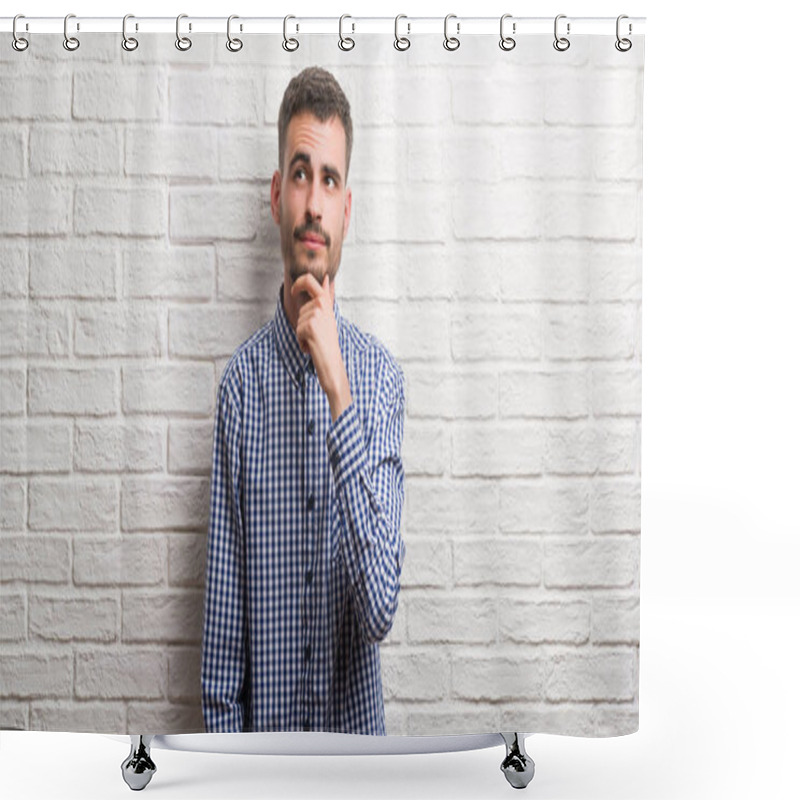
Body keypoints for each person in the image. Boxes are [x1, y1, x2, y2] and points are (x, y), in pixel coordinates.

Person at [201, 66, 406, 736]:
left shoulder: (379, 382)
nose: (314, 202)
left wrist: (337, 387)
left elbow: (379, 609)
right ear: (276, 196)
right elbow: (221, 659)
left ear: (347, 207)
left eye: (330, 179)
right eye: (299, 173)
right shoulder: (241, 389)